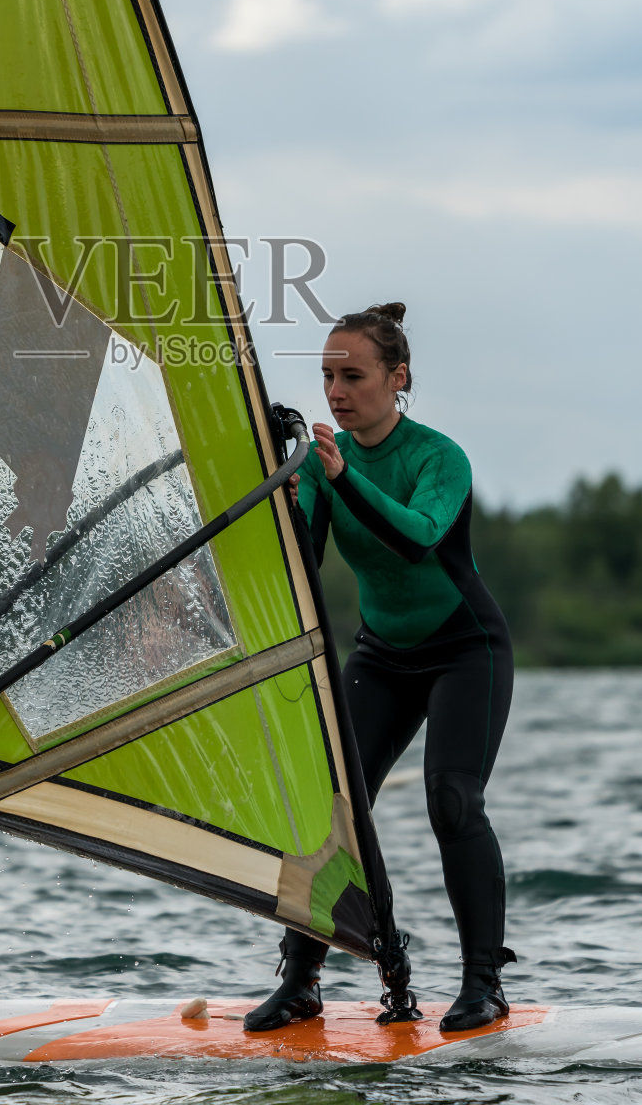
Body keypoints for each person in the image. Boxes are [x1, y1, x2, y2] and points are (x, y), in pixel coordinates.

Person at [245, 303, 514, 1035]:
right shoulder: (323, 463)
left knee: (451, 800)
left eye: (353, 375)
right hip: (383, 657)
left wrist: (341, 477)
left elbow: (419, 540)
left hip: (466, 650)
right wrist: (278, 480)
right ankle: (302, 982)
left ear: (396, 378)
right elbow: (300, 561)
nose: (335, 390)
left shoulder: (437, 457)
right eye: (327, 375)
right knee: (323, 803)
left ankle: (482, 986)